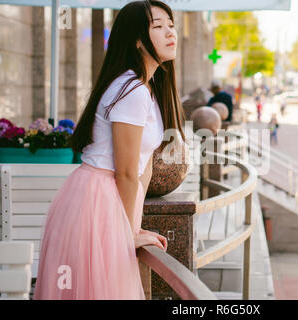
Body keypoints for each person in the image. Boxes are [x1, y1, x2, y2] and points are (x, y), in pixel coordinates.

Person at [34, 0, 185, 299]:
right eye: (158, 26)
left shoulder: (144, 88)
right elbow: (127, 171)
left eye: (171, 24)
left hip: (102, 200)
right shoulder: (131, 90)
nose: (171, 33)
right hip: (98, 201)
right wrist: (128, 232)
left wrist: (134, 227)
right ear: (138, 40)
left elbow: (143, 167)